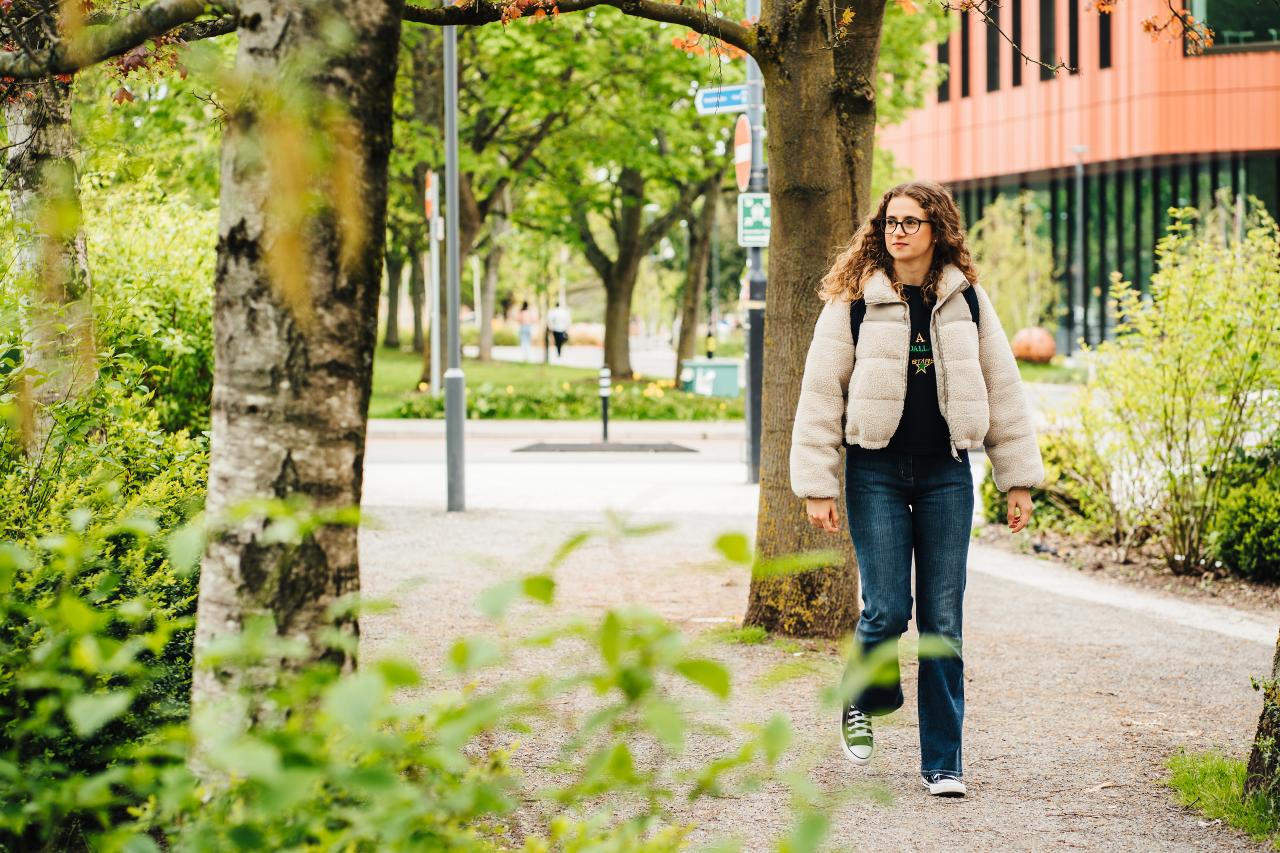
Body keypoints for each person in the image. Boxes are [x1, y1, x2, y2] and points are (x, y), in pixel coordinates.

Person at [789, 181, 1044, 799]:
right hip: (873, 471)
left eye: (911, 221)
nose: (898, 231)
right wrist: (816, 486)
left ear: (938, 230)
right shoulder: (854, 300)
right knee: (886, 610)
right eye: (890, 221)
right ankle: (861, 697)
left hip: (946, 476)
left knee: (943, 619)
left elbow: (1003, 390)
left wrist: (1018, 480)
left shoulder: (969, 301)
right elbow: (821, 393)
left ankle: (943, 762)